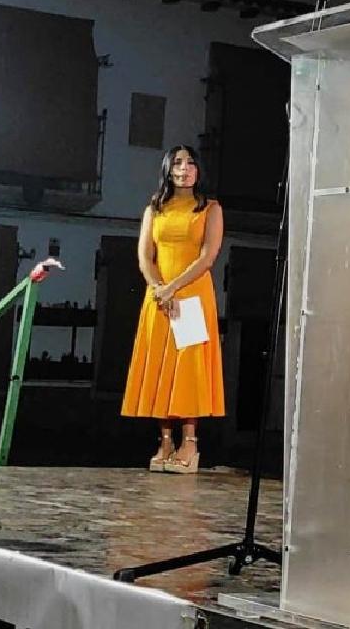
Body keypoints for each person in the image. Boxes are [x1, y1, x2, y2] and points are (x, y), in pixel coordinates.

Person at [121, 144, 226, 474]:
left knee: (187, 369)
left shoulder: (210, 209)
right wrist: (158, 288)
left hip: (192, 297)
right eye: (178, 163)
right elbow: (145, 256)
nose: (184, 168)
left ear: (199, 170)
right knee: (160, 367)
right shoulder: (154, 209)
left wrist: (173, 287)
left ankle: (190, 444)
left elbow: (208, 257)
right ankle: (165, 441)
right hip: (159, 301)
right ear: (168, 169)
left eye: (191, 163)